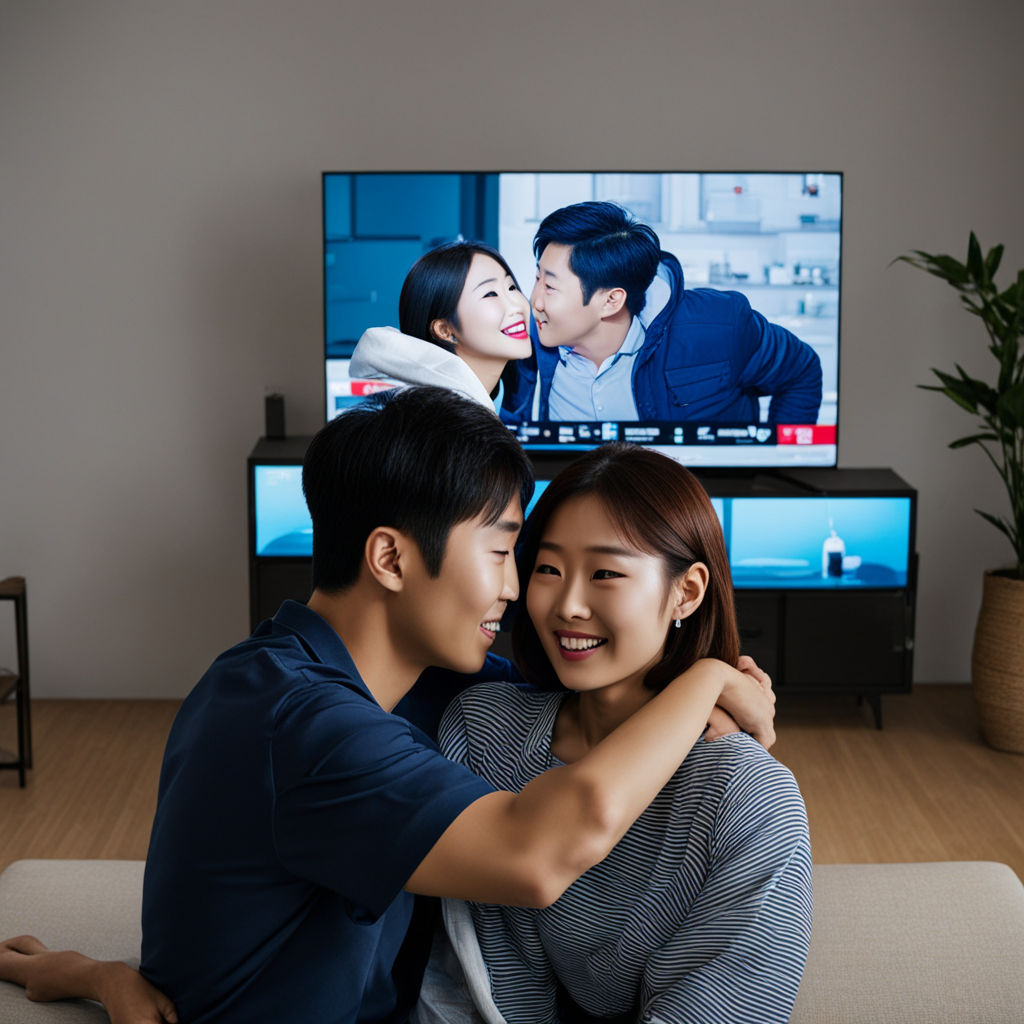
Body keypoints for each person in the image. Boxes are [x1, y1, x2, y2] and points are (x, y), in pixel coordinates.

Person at [0, 386, 775, 1024]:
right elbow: (536, 856)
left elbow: (580, 696)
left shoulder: (364, 676)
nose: (518, 592)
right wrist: (704, 681)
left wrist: (94, 973)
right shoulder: (301, 722)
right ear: (391, 558)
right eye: (509, 554)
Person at [426, 443, 812, 1024]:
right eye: (548, 569)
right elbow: (498, 987)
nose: (568, 605)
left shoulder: (749, 797)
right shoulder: (483, 732)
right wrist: (708, 678)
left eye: (605, 573)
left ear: (686, 591)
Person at [501, 201, 823, 426]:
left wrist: (773, 462)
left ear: (612, 301)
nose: (534, 300)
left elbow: (802, 371)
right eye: (537, 278)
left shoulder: (718, 326)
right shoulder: (522, 342)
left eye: (551, 287)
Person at [349, 242, 531, 415]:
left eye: (511, 287)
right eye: (490, 294)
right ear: (445, 330)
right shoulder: (441, 424)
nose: (516, 305)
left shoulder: (475, 403)